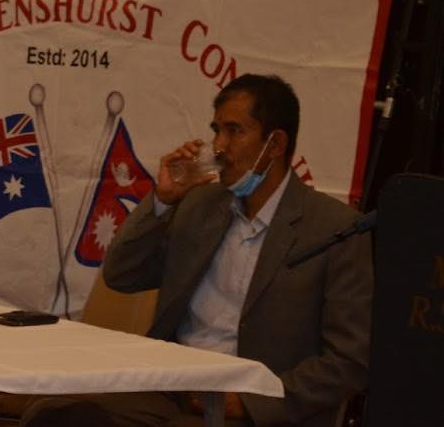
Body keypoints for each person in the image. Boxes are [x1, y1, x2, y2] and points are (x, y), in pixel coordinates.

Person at [20, 74, 371, 427]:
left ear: (275, 144)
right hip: (172, 387)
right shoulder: (200, 205)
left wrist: (250, 403)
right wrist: (162, 200)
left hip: (254, 407)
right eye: (216, 130)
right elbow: (122, 275)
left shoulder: (334, 228)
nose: (218, 146)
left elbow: (349, 359)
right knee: (54, 415)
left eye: (234, 131)